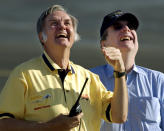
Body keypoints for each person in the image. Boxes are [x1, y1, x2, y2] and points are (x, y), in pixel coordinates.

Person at [0, 5, 128, 131]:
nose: (62, 27)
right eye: (54, 23)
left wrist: (120, 71)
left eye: (67, 23)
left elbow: (119, 116)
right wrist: (48, 127)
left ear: (74, 36)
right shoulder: (24, 74)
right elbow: (3, 124)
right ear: (41, 37)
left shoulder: (89, 78)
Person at [90, 10, 164, 131]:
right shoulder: (88, 79)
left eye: (131, 26)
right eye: (118, 26)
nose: (126, 29)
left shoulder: (159, 80)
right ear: (104, 44)